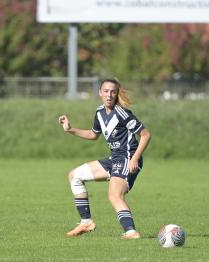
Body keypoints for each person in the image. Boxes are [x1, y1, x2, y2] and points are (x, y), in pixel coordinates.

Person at [58, 79, 151, 239]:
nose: (109, 95)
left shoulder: (122, 113)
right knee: (74, 176)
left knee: (115, 195)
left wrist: (134, 159)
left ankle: (131, 231)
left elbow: (145, 134)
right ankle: (86, 222)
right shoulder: (100, 112)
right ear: (100, 92)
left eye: (113, 92)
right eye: (106, 91)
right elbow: (93, 135)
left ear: (116, 94)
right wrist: (70, 129)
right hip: (114, 159)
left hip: (127, 158)